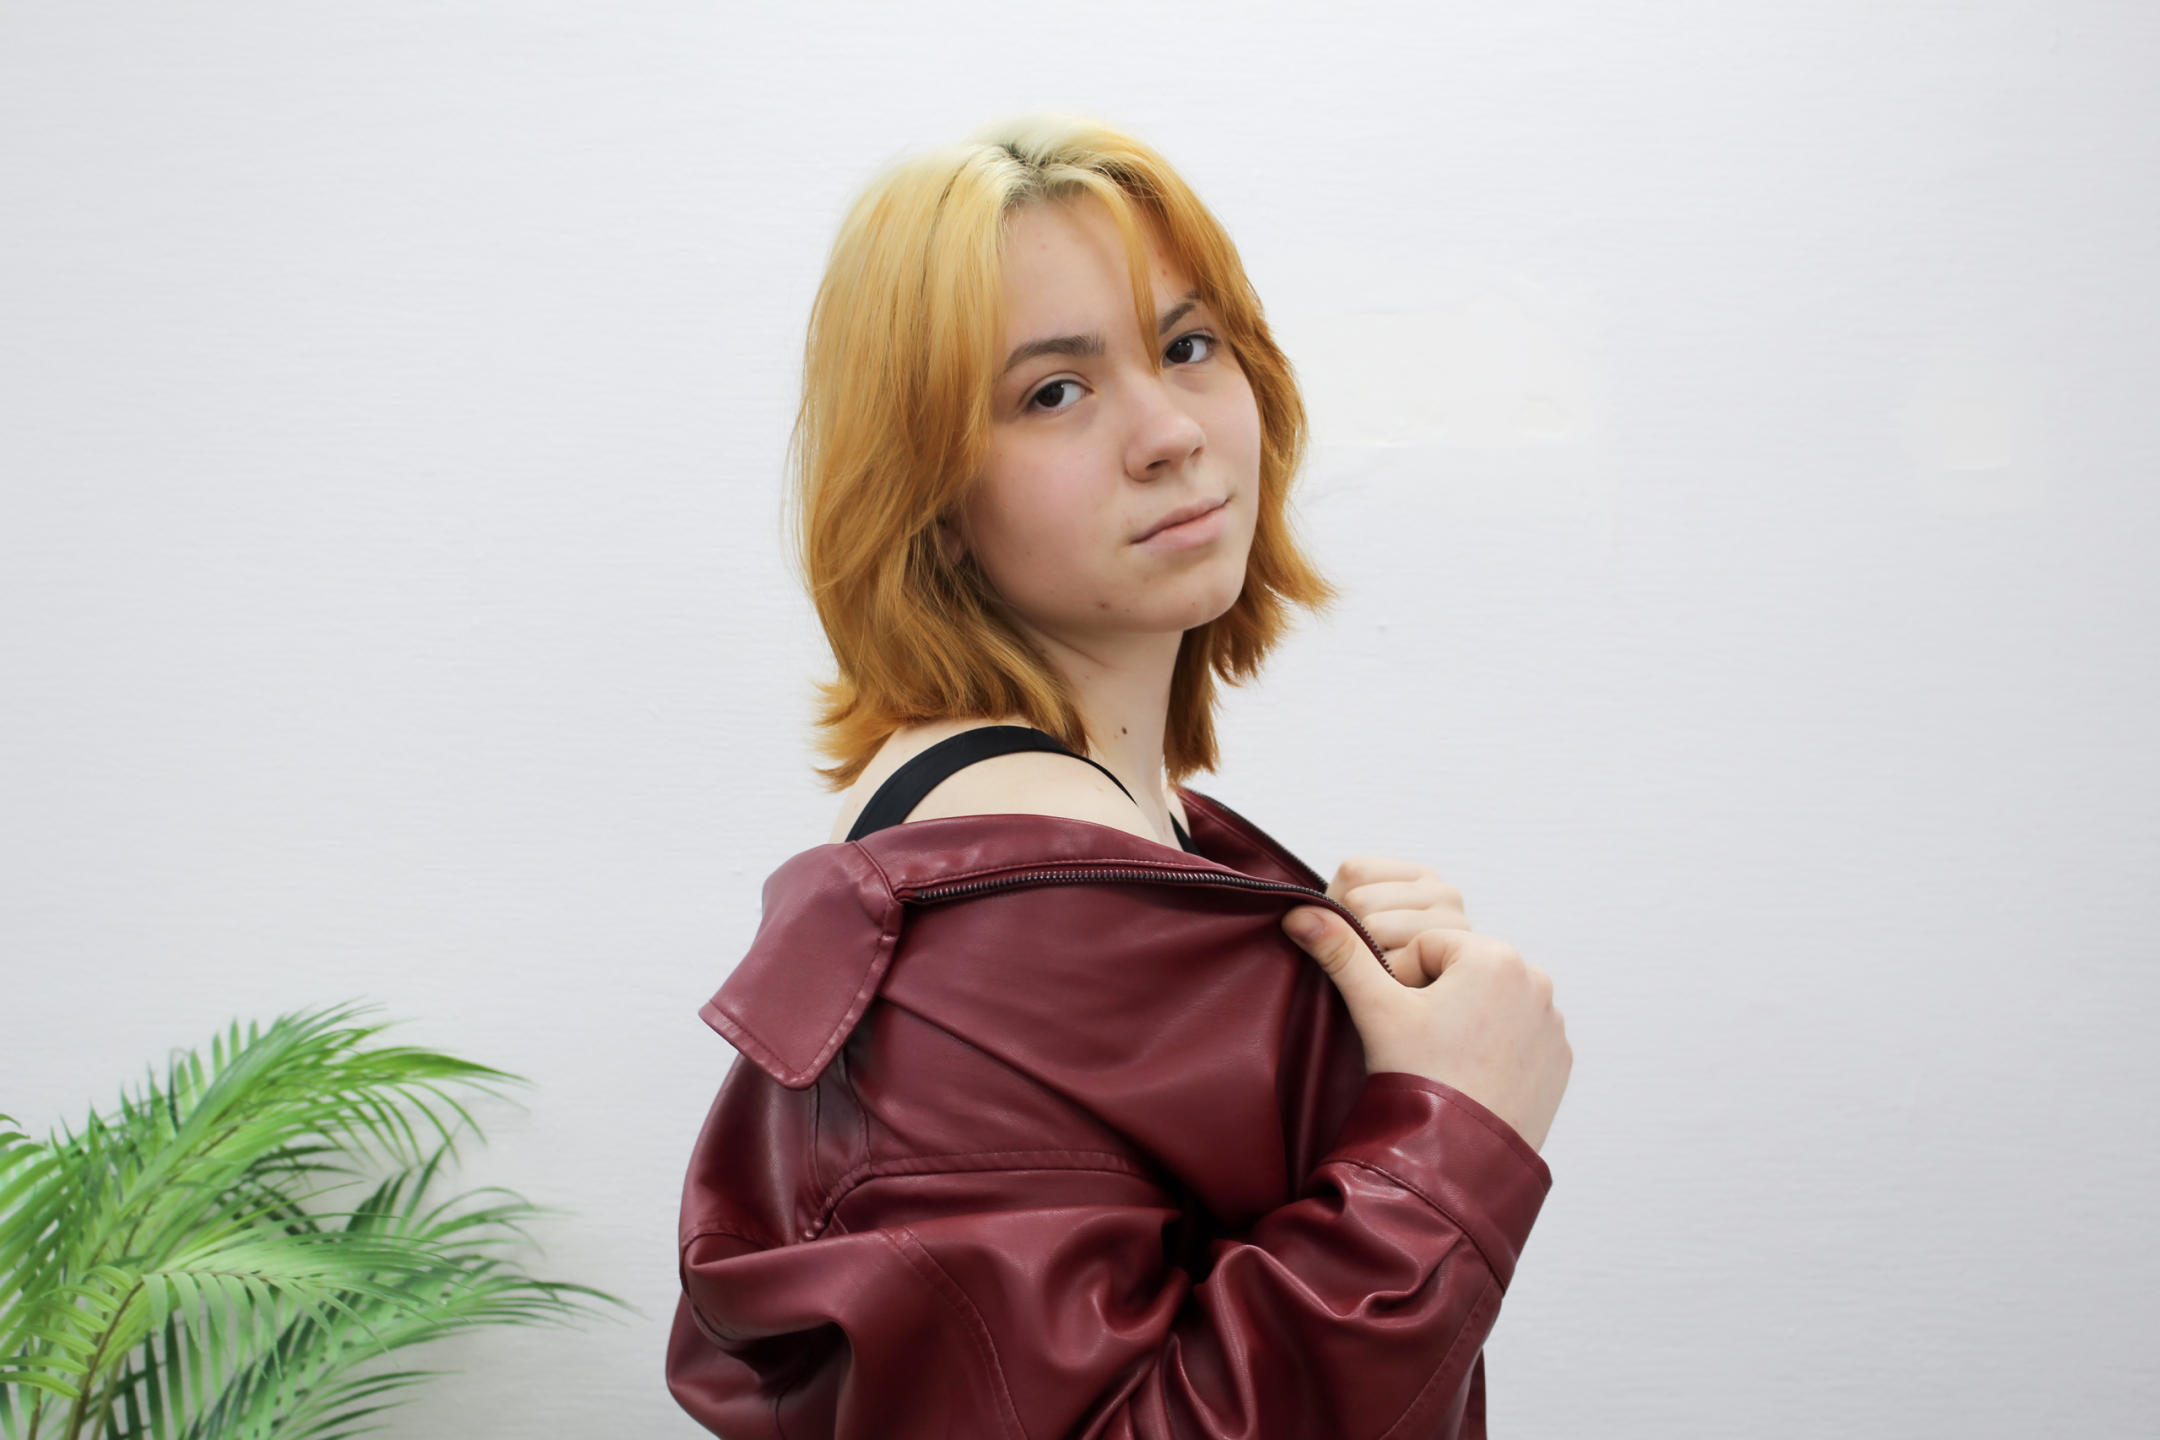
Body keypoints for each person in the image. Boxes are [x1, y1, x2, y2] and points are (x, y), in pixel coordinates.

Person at [668, 111, 1573, 1438]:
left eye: (1188, 346)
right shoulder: (1010, 927)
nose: (1169, 432)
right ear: (927, 497)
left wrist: (1368, 1036)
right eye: (1055, 392)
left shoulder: (1125, 844)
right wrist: (1454, 1135)